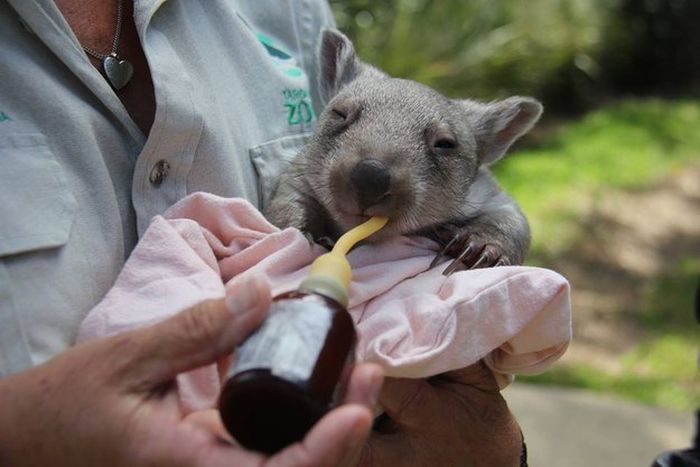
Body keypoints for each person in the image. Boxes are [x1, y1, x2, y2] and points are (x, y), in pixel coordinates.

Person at [0, 0, 524, 465]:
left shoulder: (288, 11)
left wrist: (499, 455)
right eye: (341, 118)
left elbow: (503, 229)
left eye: (444, 148)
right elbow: (300, 179)